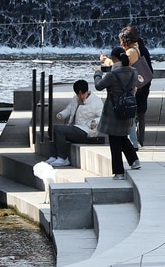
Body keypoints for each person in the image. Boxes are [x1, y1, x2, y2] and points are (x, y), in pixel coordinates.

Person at [94, 47, 140, 177]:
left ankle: (118, 172)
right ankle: (134, 160)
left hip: (113, 111)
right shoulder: (134, 72)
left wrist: (97, 73)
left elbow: (98, 86)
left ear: (113, 58)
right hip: (128, 107)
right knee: (122, 136)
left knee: (114, 141)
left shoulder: (112, 75)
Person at [49, 79, 102, 167]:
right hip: (76, 128)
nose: (81, 96)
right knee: (52, 128)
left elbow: (102, 116)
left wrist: (95, 122)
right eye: (78, 94)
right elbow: (69, 109)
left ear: (87, 91)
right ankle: (54, 156)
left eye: (83, 94)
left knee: (59, 130)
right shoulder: (75, 99)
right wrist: (62, 114)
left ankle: (63, 158)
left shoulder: (96, 101)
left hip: (87, 131)